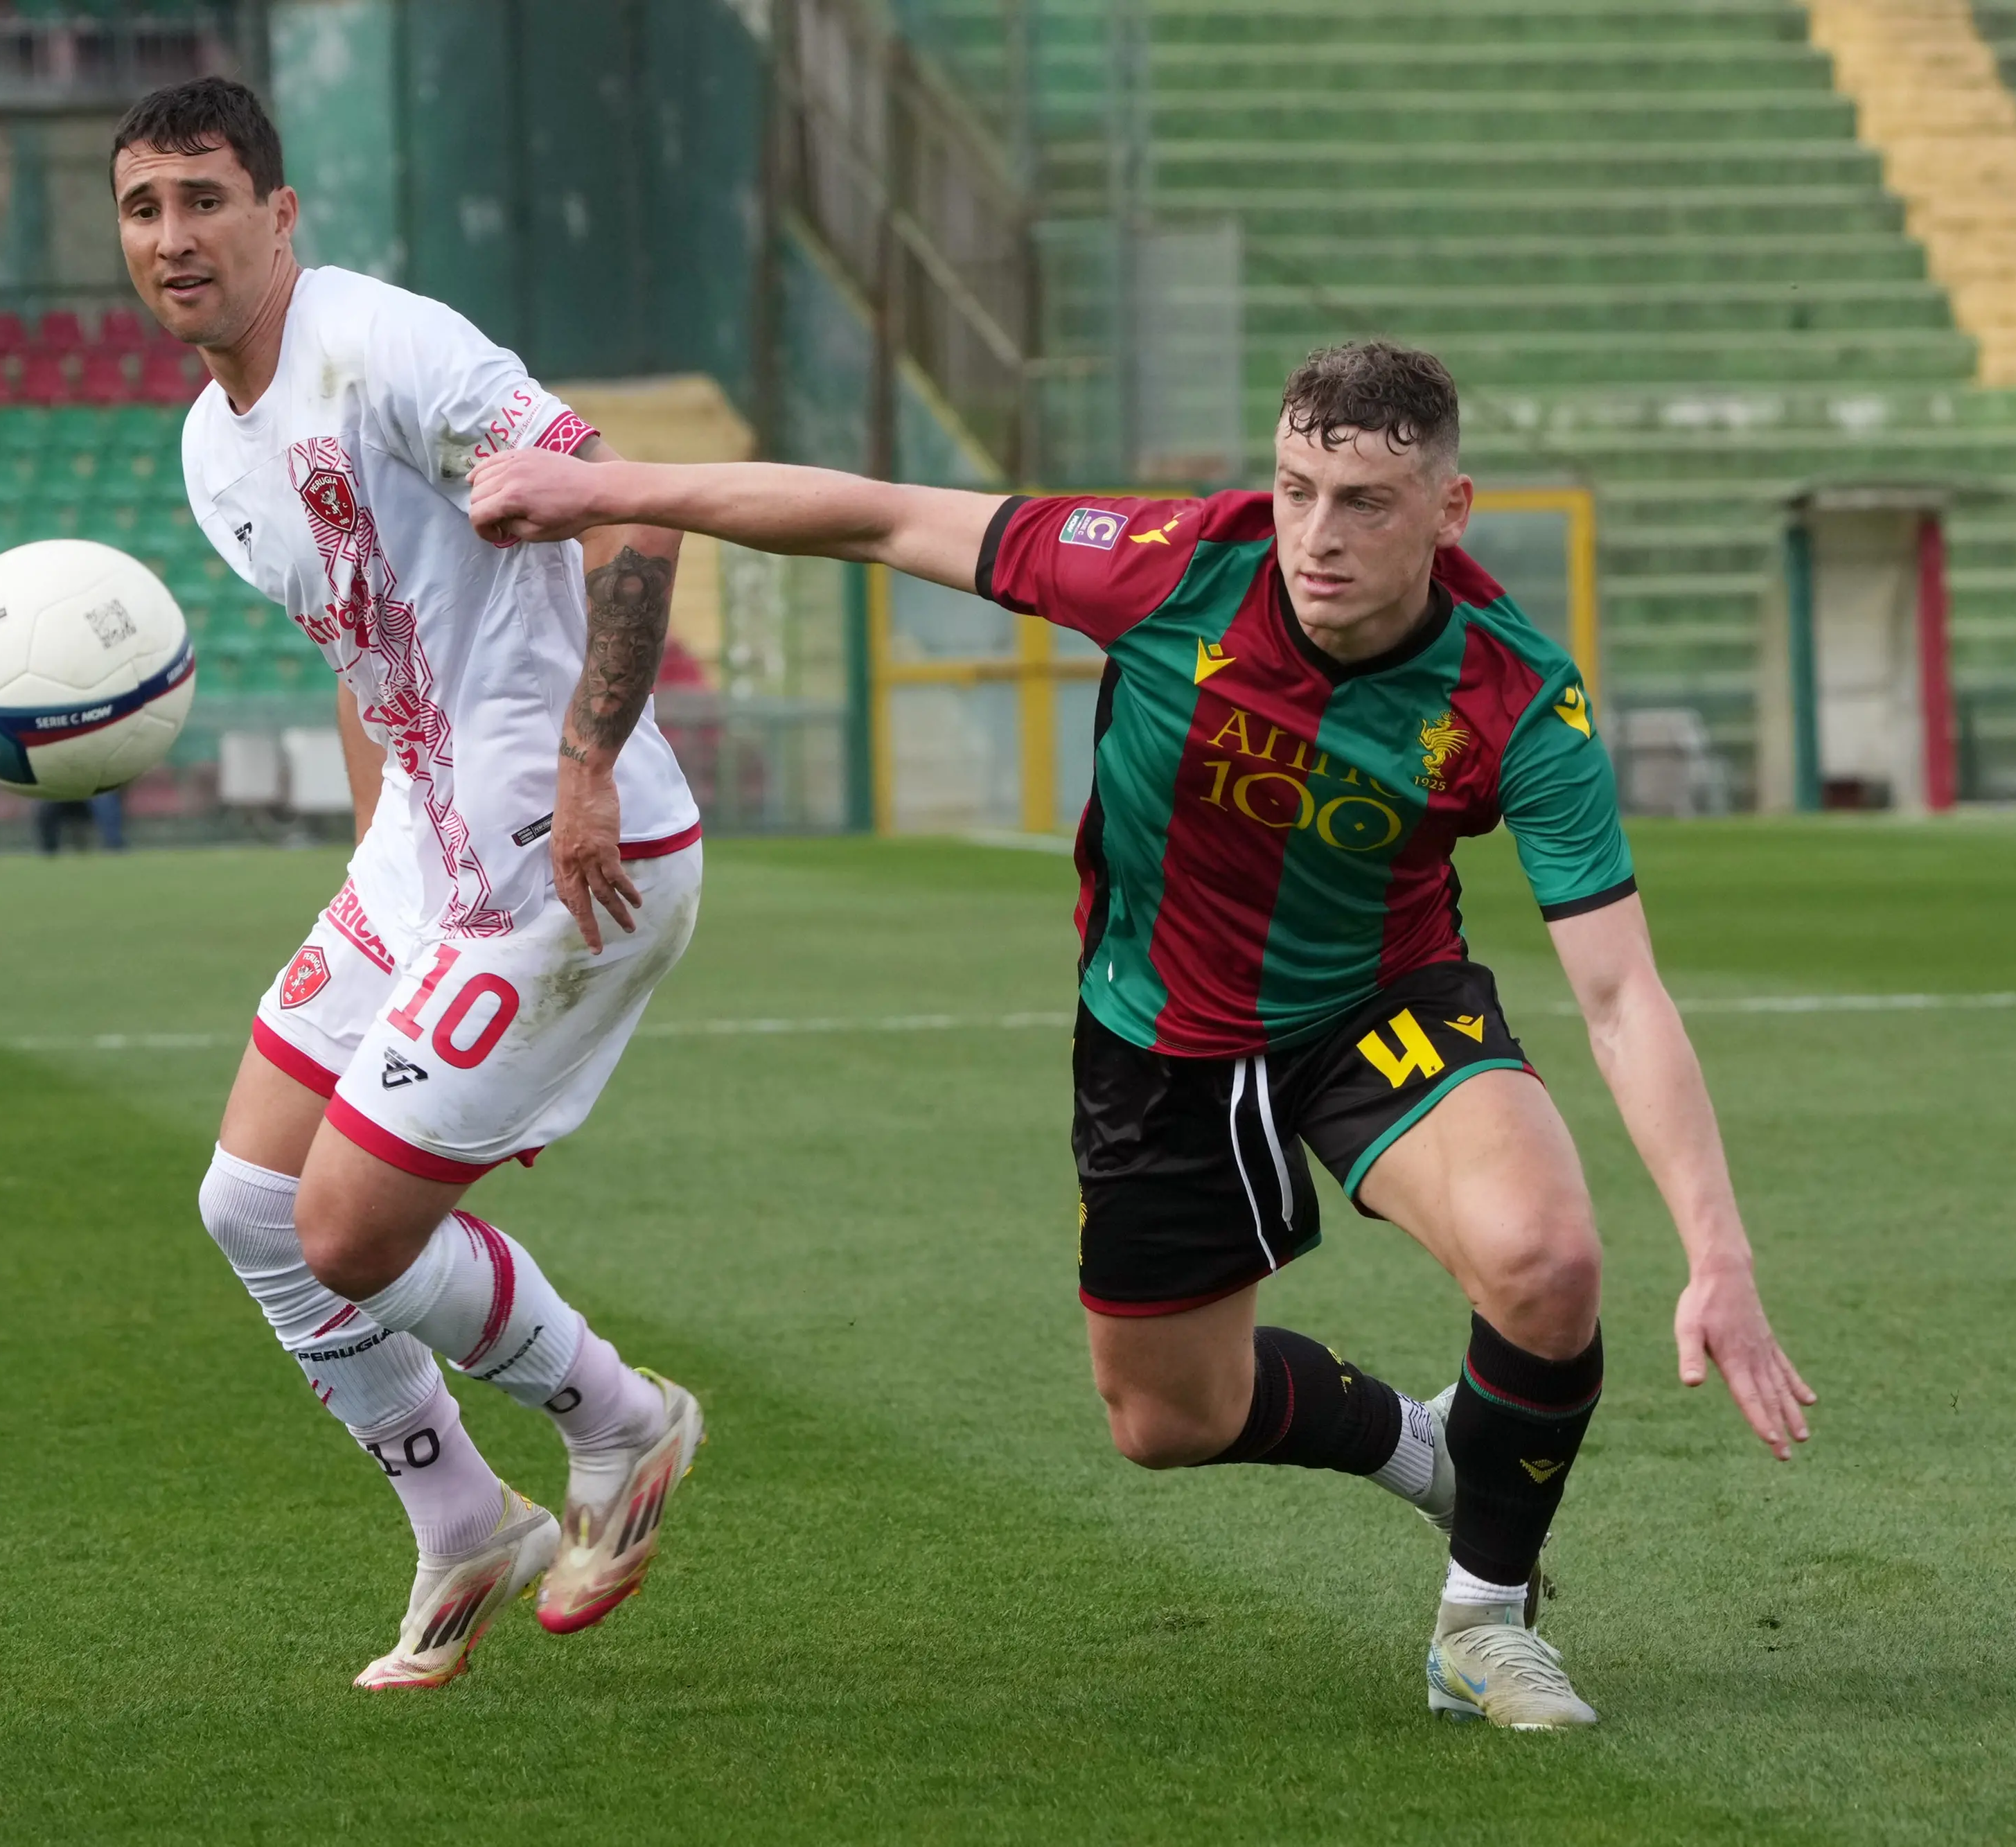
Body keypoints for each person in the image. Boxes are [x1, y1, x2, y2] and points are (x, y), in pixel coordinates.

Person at [467, 339, 1816, 1729]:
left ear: (1448, 511)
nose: (1317, 535)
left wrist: (1716, 1255)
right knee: (1164, 1419)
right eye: (1295, 489)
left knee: (1546, 1263)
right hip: (1158, 1035)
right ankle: (1421, 1446)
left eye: (1362, 501)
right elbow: (876, 514)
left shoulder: (1516, 695)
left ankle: (1482, 1621)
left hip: (1376, 1006)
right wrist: (614, 490)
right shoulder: (1168, 565)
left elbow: (1618, 994)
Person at [112, 78, 709, 1691]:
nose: (174, 237)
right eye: (144, 208)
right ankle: (463, 1515)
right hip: (427, 853)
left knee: (348, 1231)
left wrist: (587, 762)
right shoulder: (207, 444)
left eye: (205, 199)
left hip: (572, 853)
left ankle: (625, 1423)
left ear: (278, 215)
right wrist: (380, 872)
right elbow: (359, 650)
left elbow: (632, 511)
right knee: (245, 1203)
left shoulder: (385, 348)